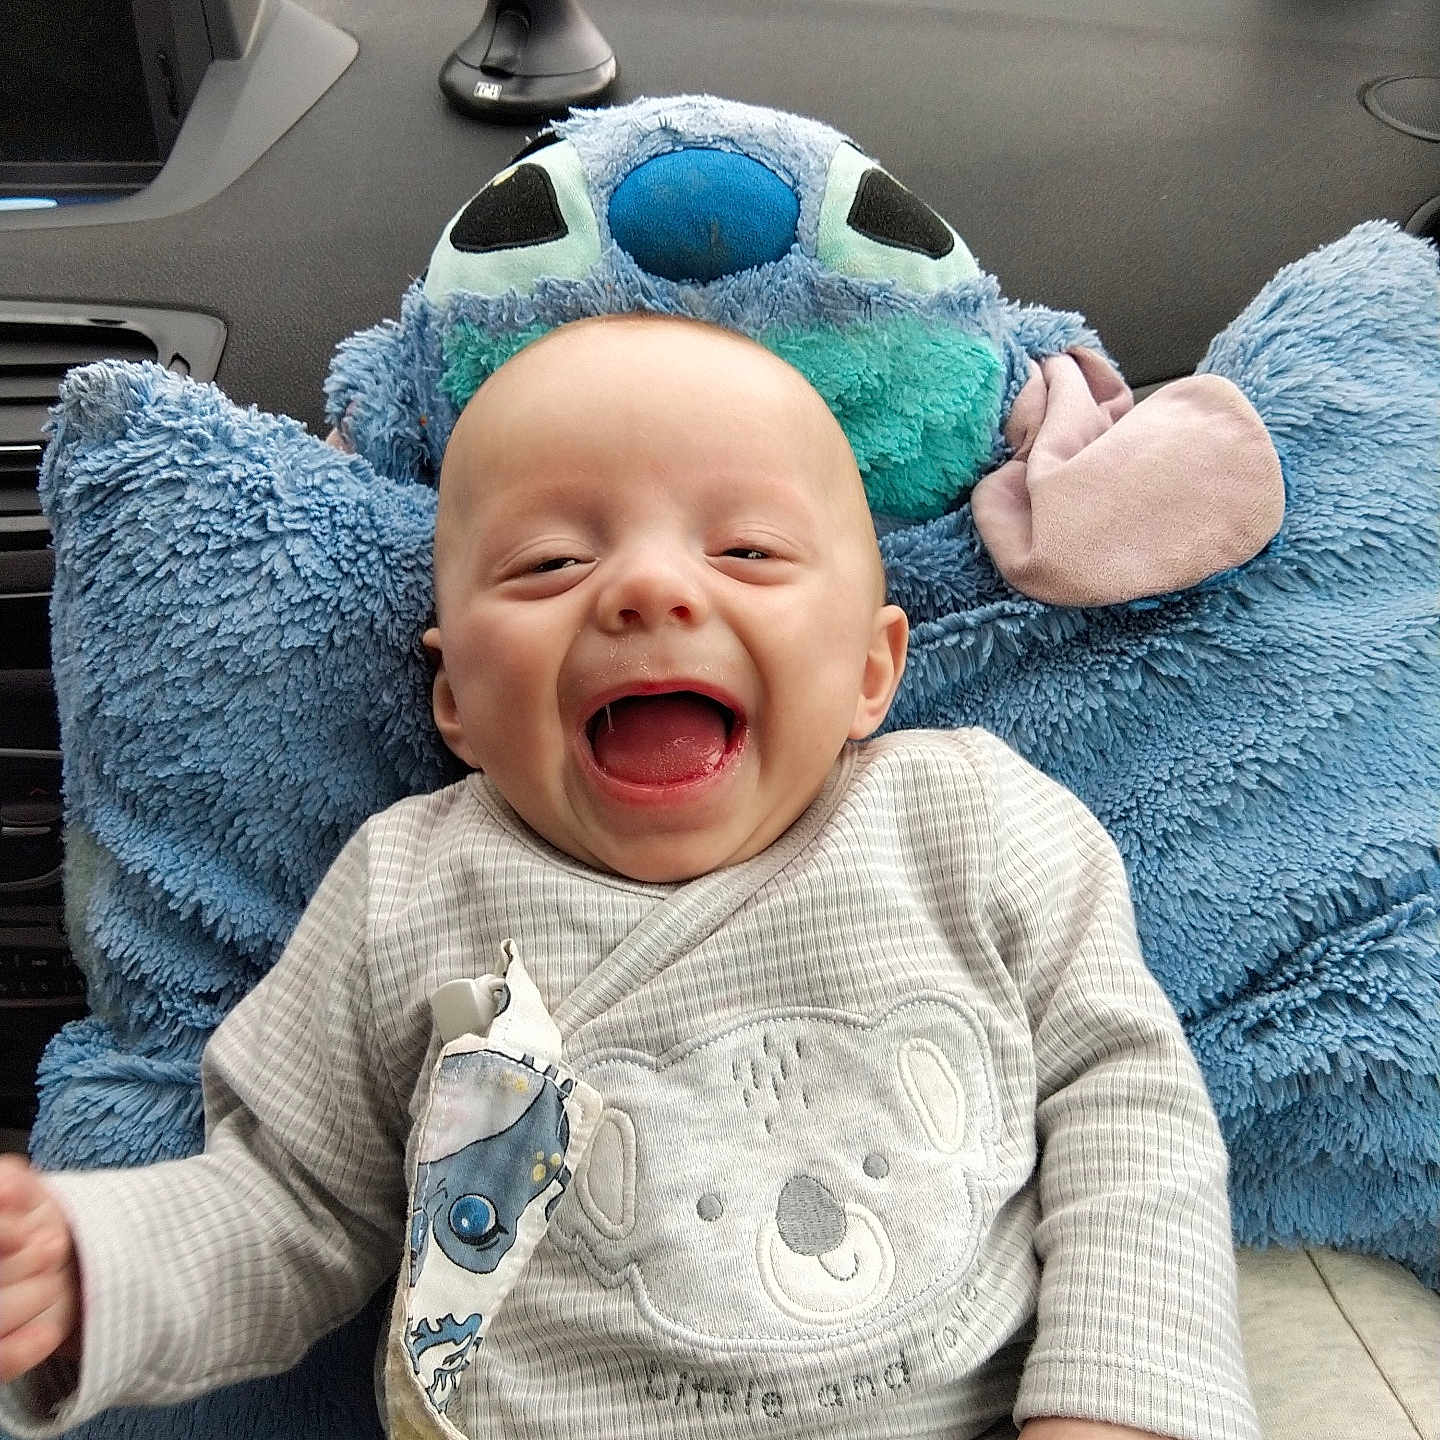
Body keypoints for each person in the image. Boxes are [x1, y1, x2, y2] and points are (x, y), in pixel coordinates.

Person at [0, 315, 1259, 1440]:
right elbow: (291, 1209)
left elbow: (1126, 1106)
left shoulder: (969, 824)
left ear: (874, 671)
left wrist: (1118, 1396)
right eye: (549, 563)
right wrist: (91, 1269)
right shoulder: (409, 894)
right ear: (454, 697)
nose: (650, 589)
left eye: (751, 552)